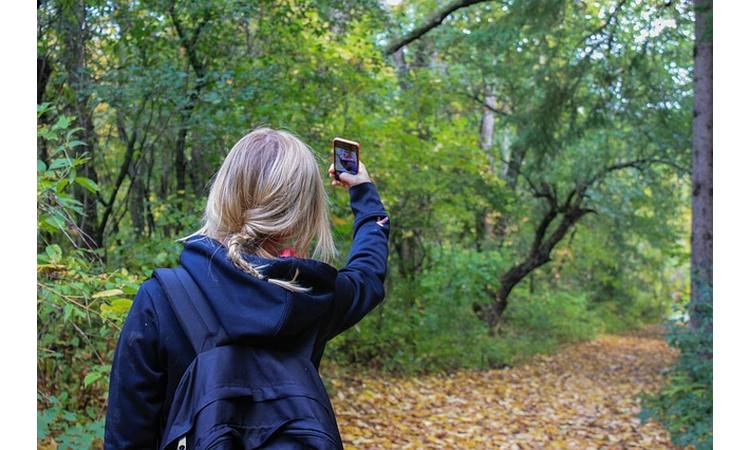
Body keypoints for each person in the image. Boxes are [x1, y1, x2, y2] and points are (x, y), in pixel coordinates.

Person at [104, 128, 390, 448]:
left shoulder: (162, 300)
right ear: (303, 213)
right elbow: (368, 273)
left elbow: (127, 437)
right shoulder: (313, 298)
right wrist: (364, 193)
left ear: (224, 194)